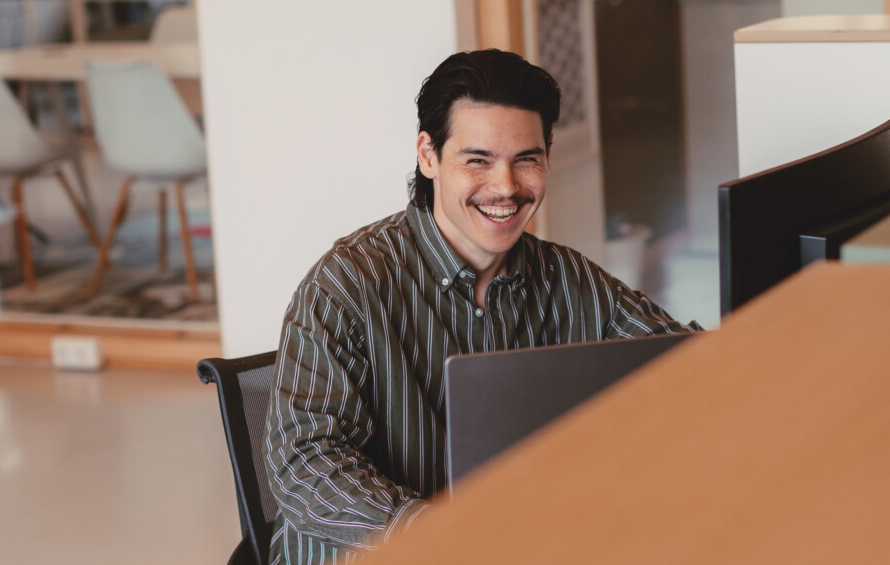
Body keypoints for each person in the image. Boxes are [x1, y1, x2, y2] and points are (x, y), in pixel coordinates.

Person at [264, 49, 700, 564]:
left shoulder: (571, 279)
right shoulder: (347, 284)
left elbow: (686, 366)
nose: (506, 187)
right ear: (428, 155)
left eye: (526, 159)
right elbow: (303, 461)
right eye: (478, 161)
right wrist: (446, 536)